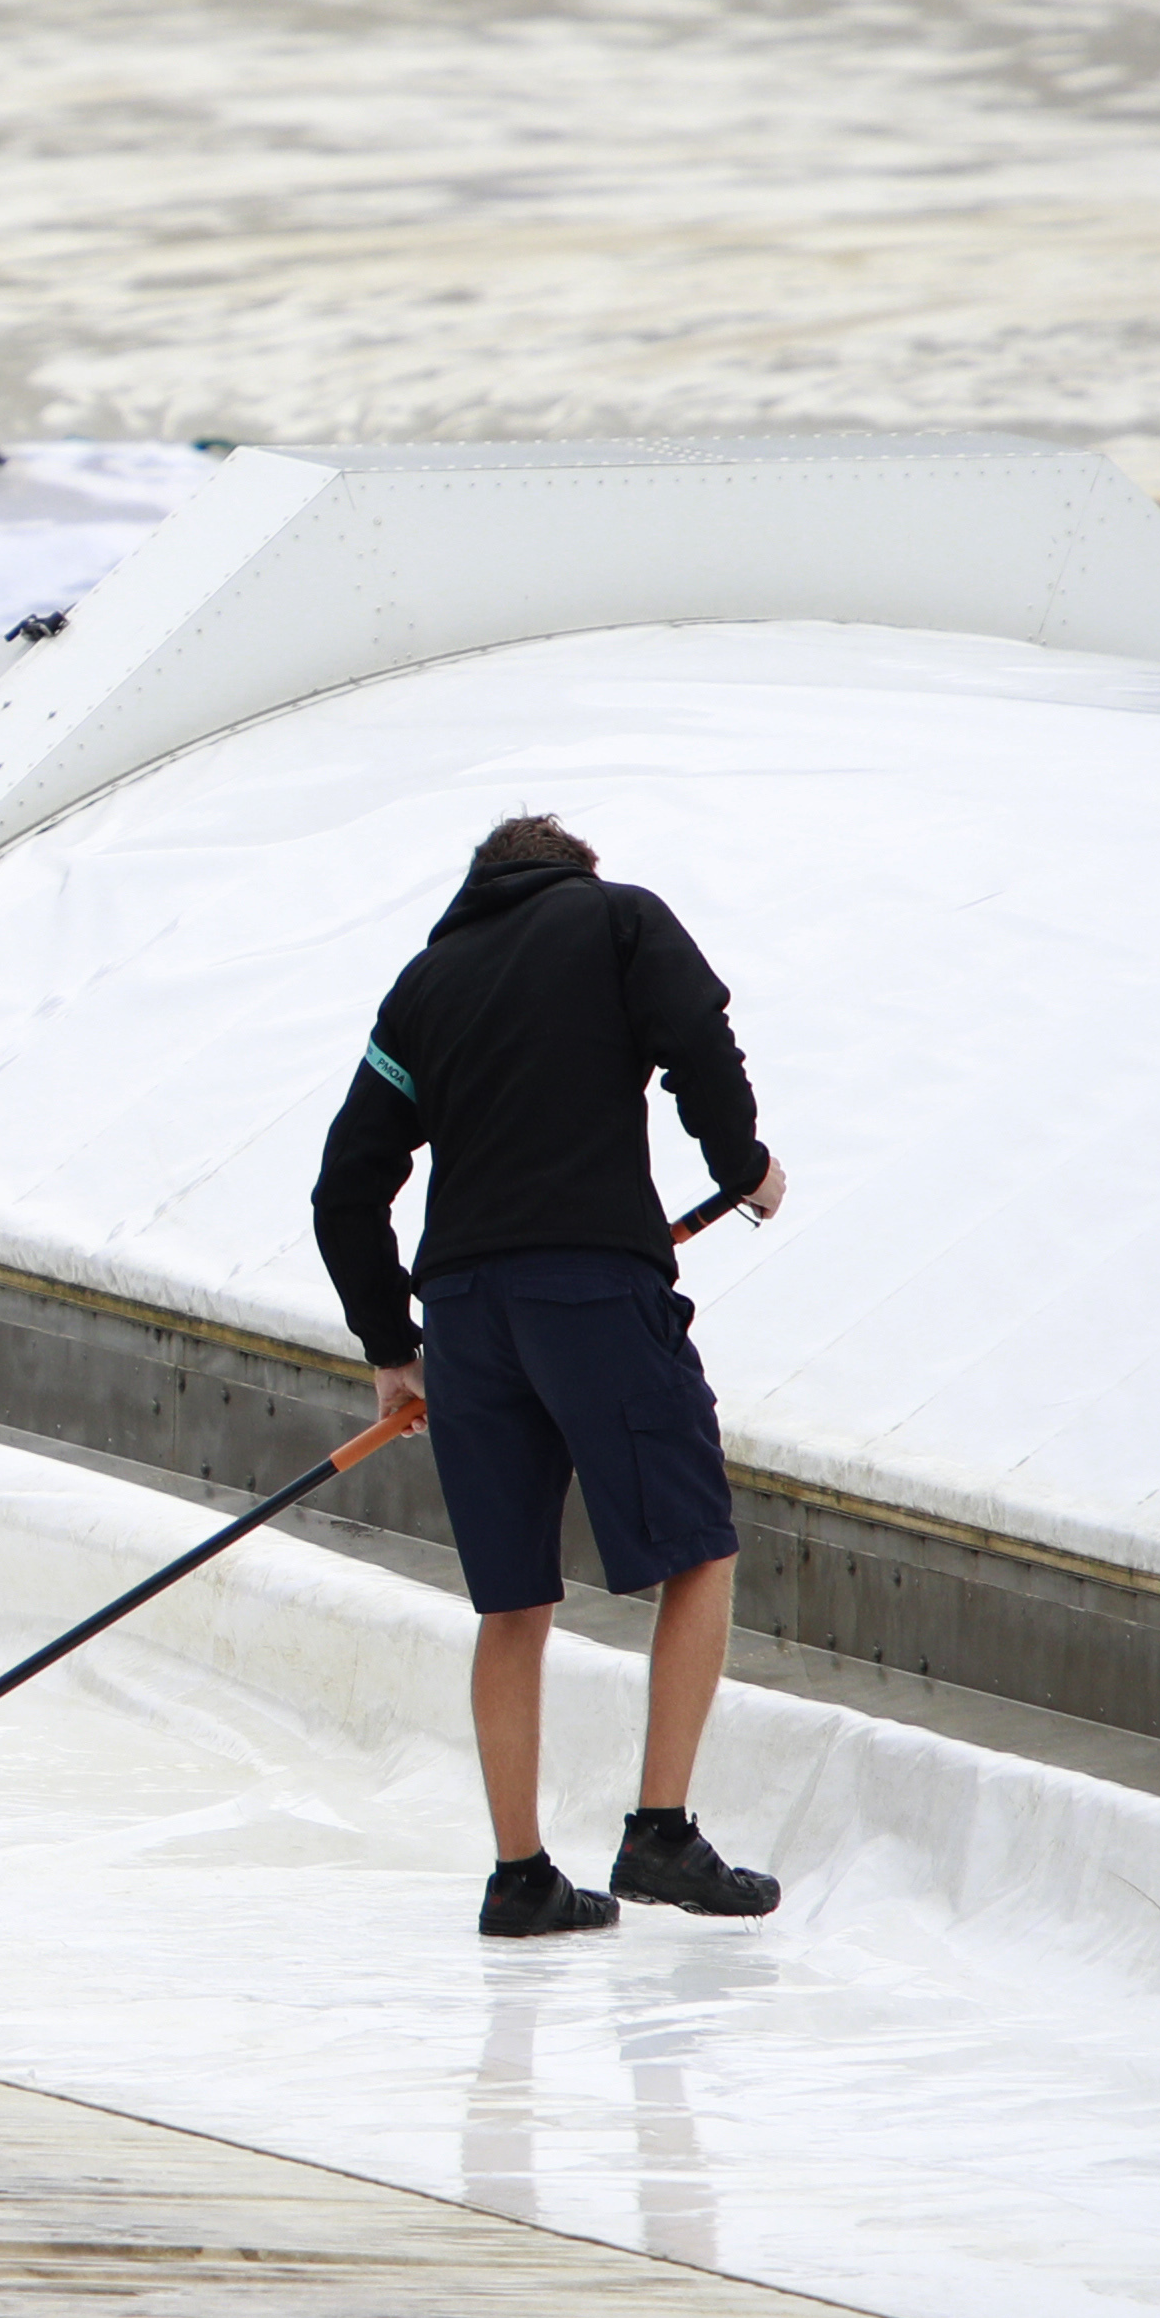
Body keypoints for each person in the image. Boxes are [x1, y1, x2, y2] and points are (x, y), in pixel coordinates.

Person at [311, 812, 789, 1936]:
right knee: (698, 1548)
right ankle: (660, 1832)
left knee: (513, 1596)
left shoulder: (424, 987)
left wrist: (393, 1350)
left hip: (467, 1316)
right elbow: (700, 1038)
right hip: (592, 1288)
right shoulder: (618, 922)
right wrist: (744, 1168)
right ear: (575, 871)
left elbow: (346, 1189)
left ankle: (520, 1876)